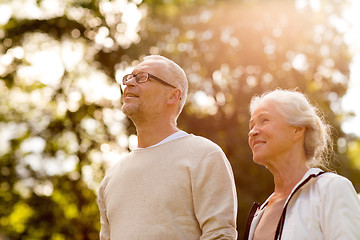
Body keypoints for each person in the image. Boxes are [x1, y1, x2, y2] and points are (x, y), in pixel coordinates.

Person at [97, 55, 238, 240]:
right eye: (129, 77)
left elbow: (220, 235)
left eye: (142, 77)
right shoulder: (111, 177)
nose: (129, 83)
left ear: (173, 95)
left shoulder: (204, 156)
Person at [243, 89, 360, 240]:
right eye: (251, 125)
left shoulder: (332, 189)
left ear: (297, 129)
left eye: (264, 120)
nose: (252, 132)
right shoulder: (261, 212)